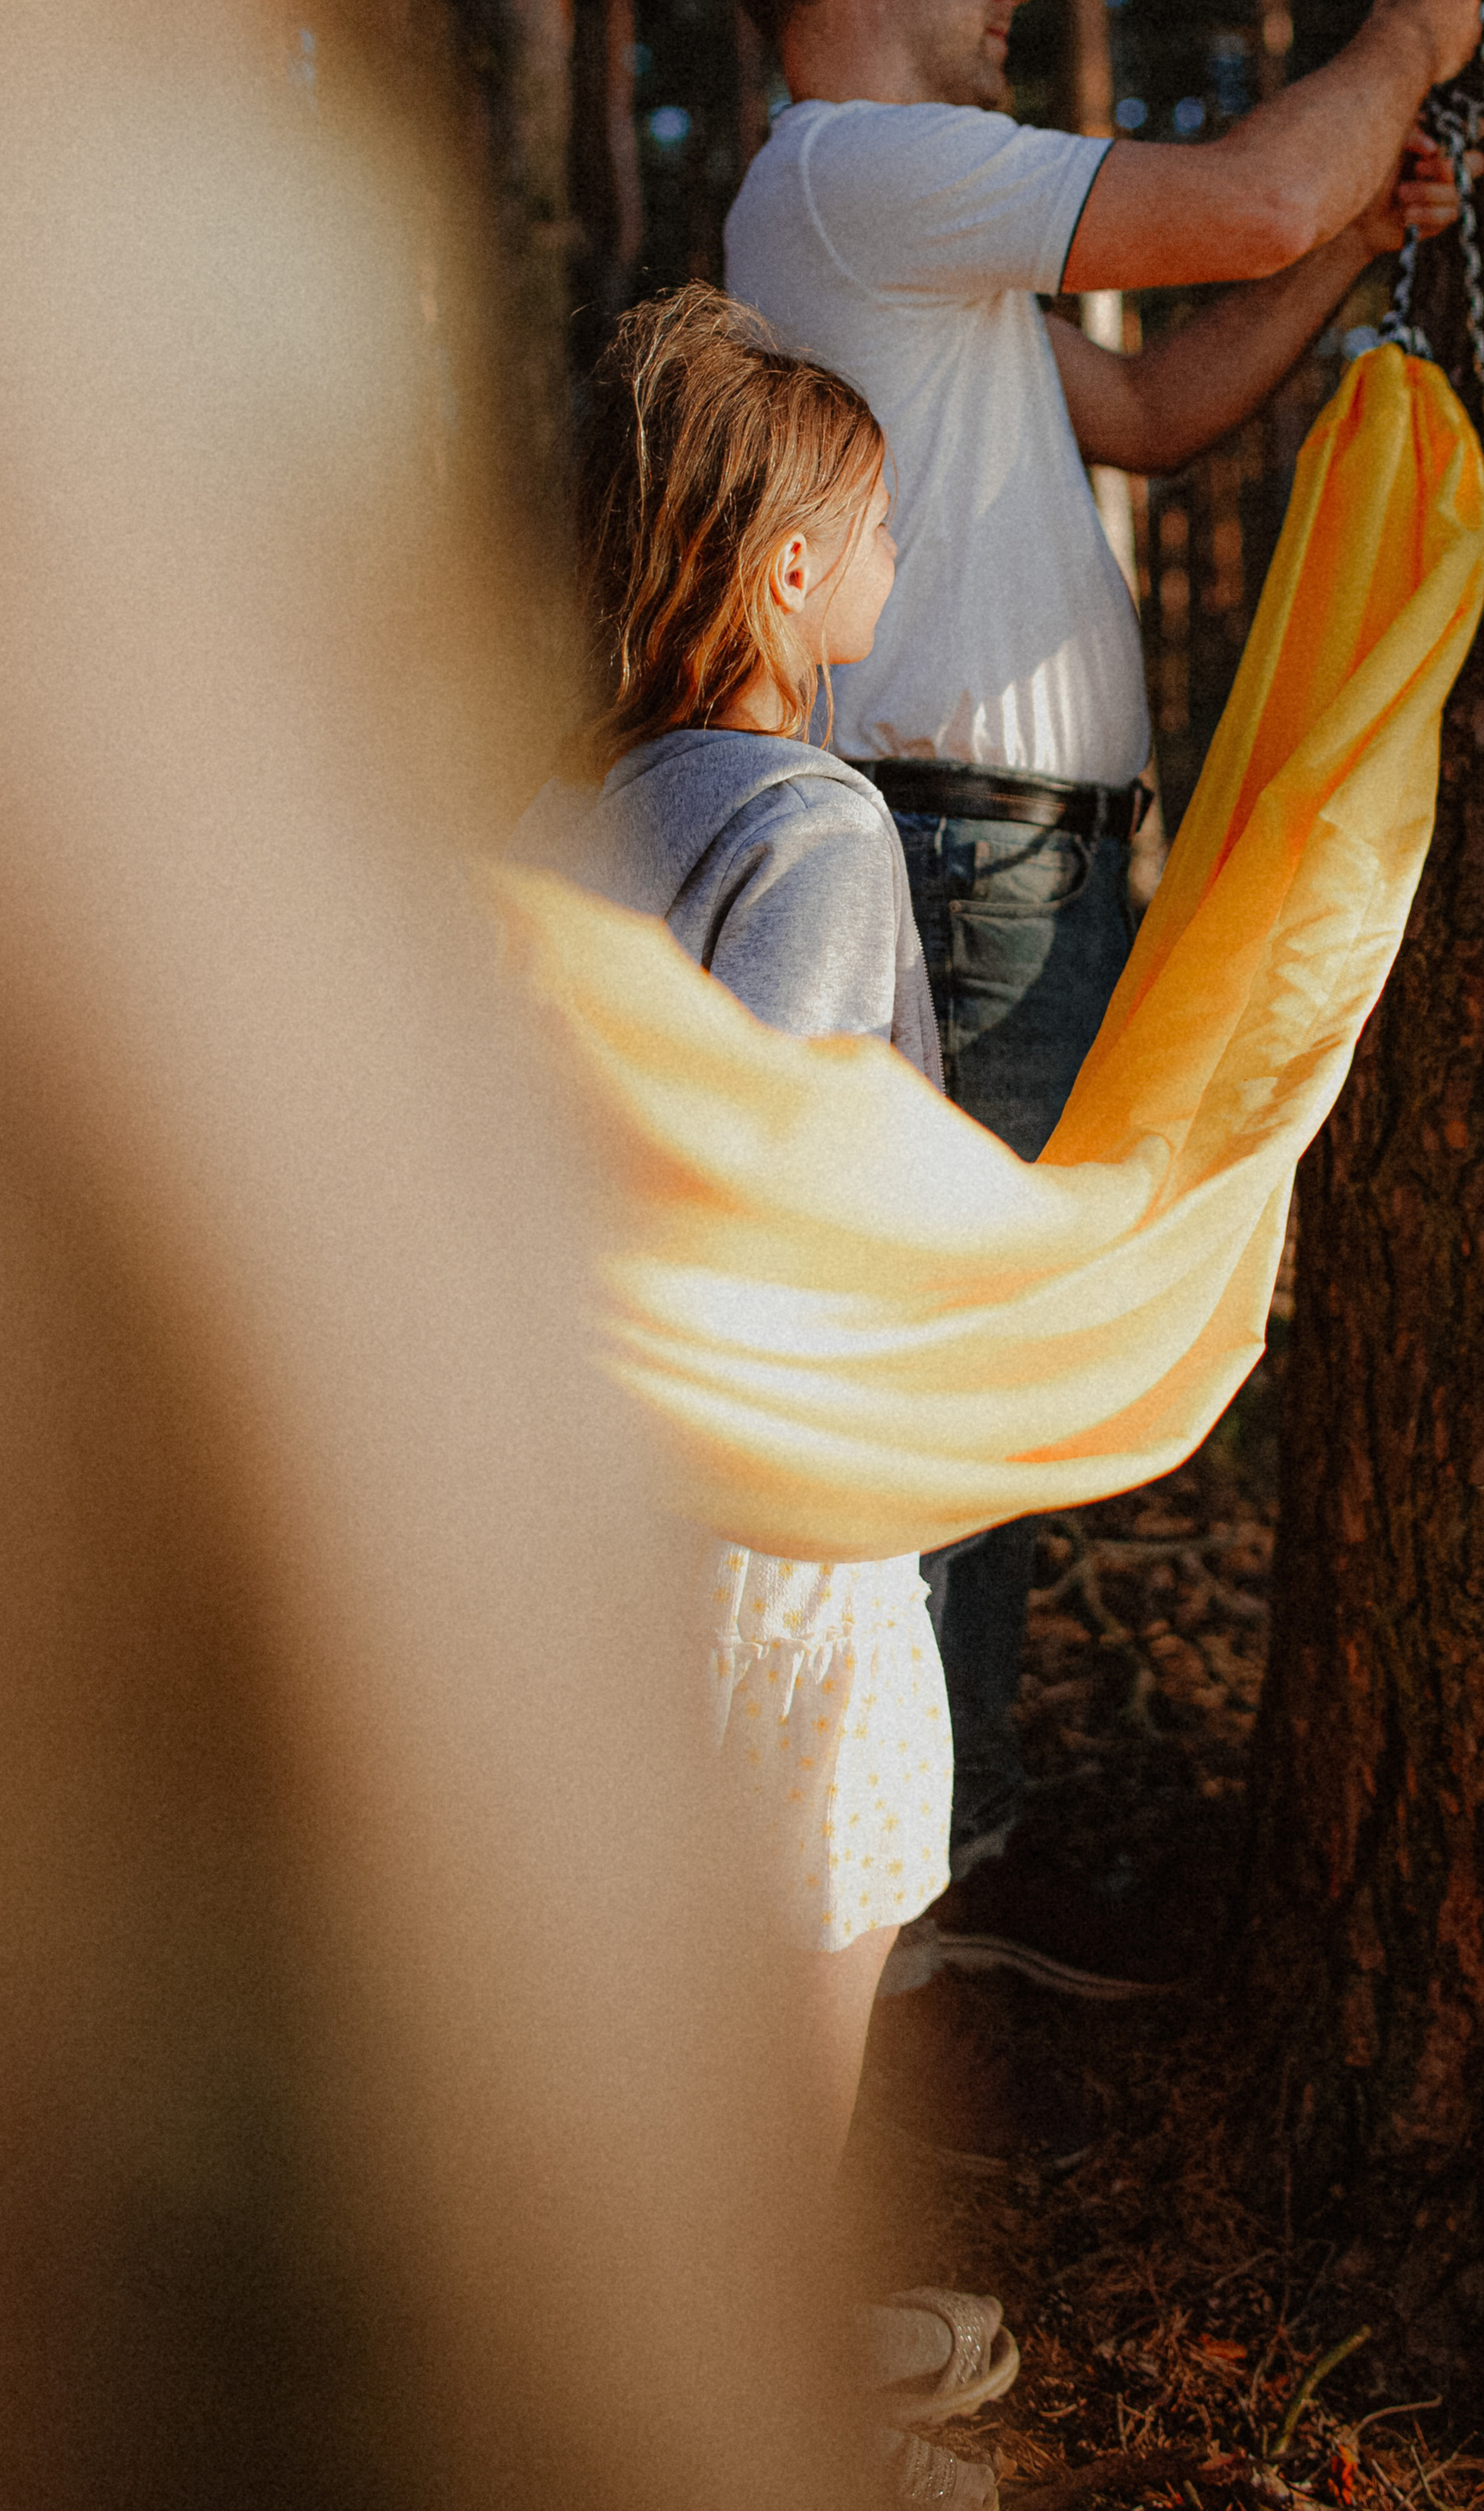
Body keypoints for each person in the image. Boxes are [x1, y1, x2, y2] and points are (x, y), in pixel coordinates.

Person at [718, 0, 1482, 1998]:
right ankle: (903, 1893)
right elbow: (1242, 191)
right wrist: (1410, 33)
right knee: (952, 1392)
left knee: (972, 1385)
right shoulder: (857, 168)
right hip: (960, 859)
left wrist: (1344, 254)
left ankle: (937, 1863)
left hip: (1008, 861)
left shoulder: (897, 236)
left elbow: (1149, 407)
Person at [509, 286, 1019, 2511]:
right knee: (812, 1900)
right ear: (787, 568)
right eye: (880, 528)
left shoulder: (558, 801)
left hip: (559, 1480)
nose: (895, 570)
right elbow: (776, 1152)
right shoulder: (804, 821)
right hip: (764, 1497)